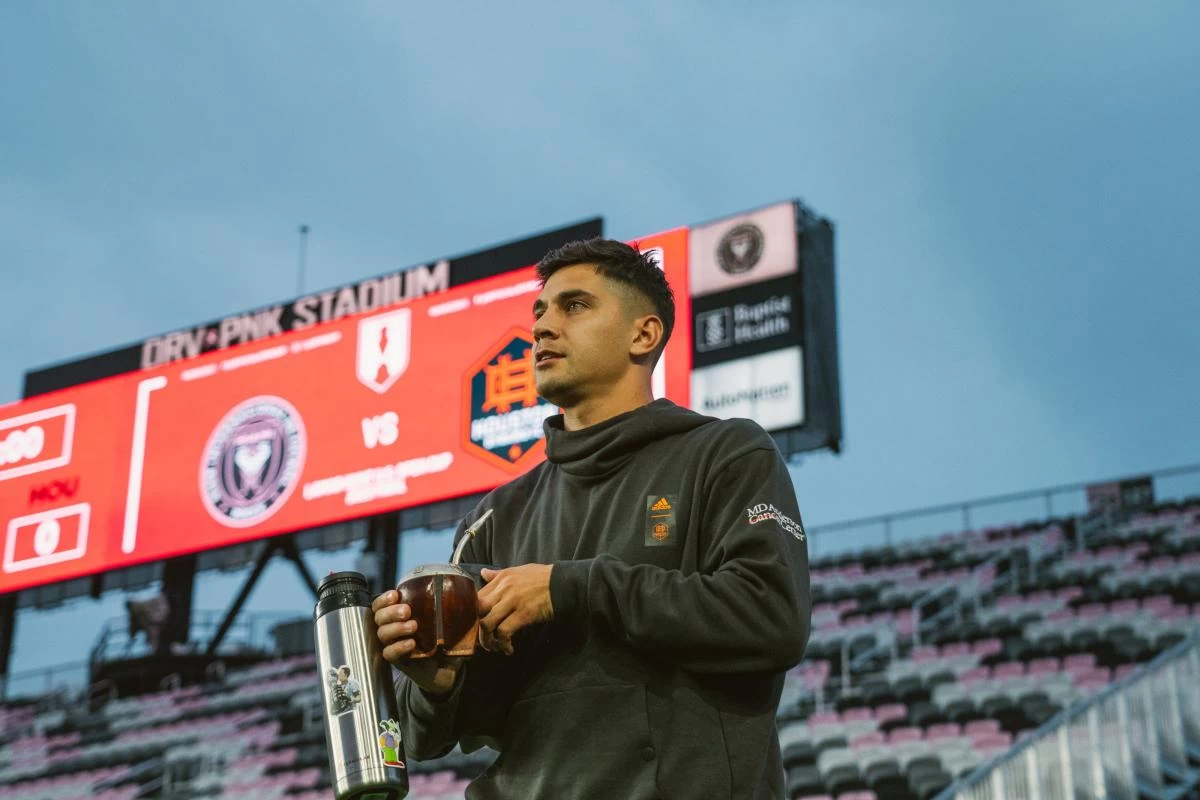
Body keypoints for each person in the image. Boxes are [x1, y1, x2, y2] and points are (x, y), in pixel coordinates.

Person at [372, 238, 811, 799]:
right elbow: (424, 737)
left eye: (574, 306)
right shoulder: (492, 517)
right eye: (540, 311)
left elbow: (772, 619)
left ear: (643, 334)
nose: (543, 328)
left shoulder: (726, 452)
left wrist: (569, 586)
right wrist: (438, 685)